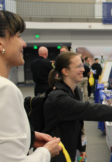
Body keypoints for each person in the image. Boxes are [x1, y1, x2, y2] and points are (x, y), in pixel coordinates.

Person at [44, 52, 112, 162]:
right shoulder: (58, 98)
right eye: (78, 66)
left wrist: (81, 147)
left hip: (70, 148)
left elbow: (79, 123)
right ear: (65, 71)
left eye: (82, 65)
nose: (83, 69)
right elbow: (92, 110)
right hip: (57, 154)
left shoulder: (75, 92)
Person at [0, 10, 61, 162]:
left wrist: (30, 137)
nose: (24, 43)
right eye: (18, 35)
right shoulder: (5, 89)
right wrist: (46, 152)